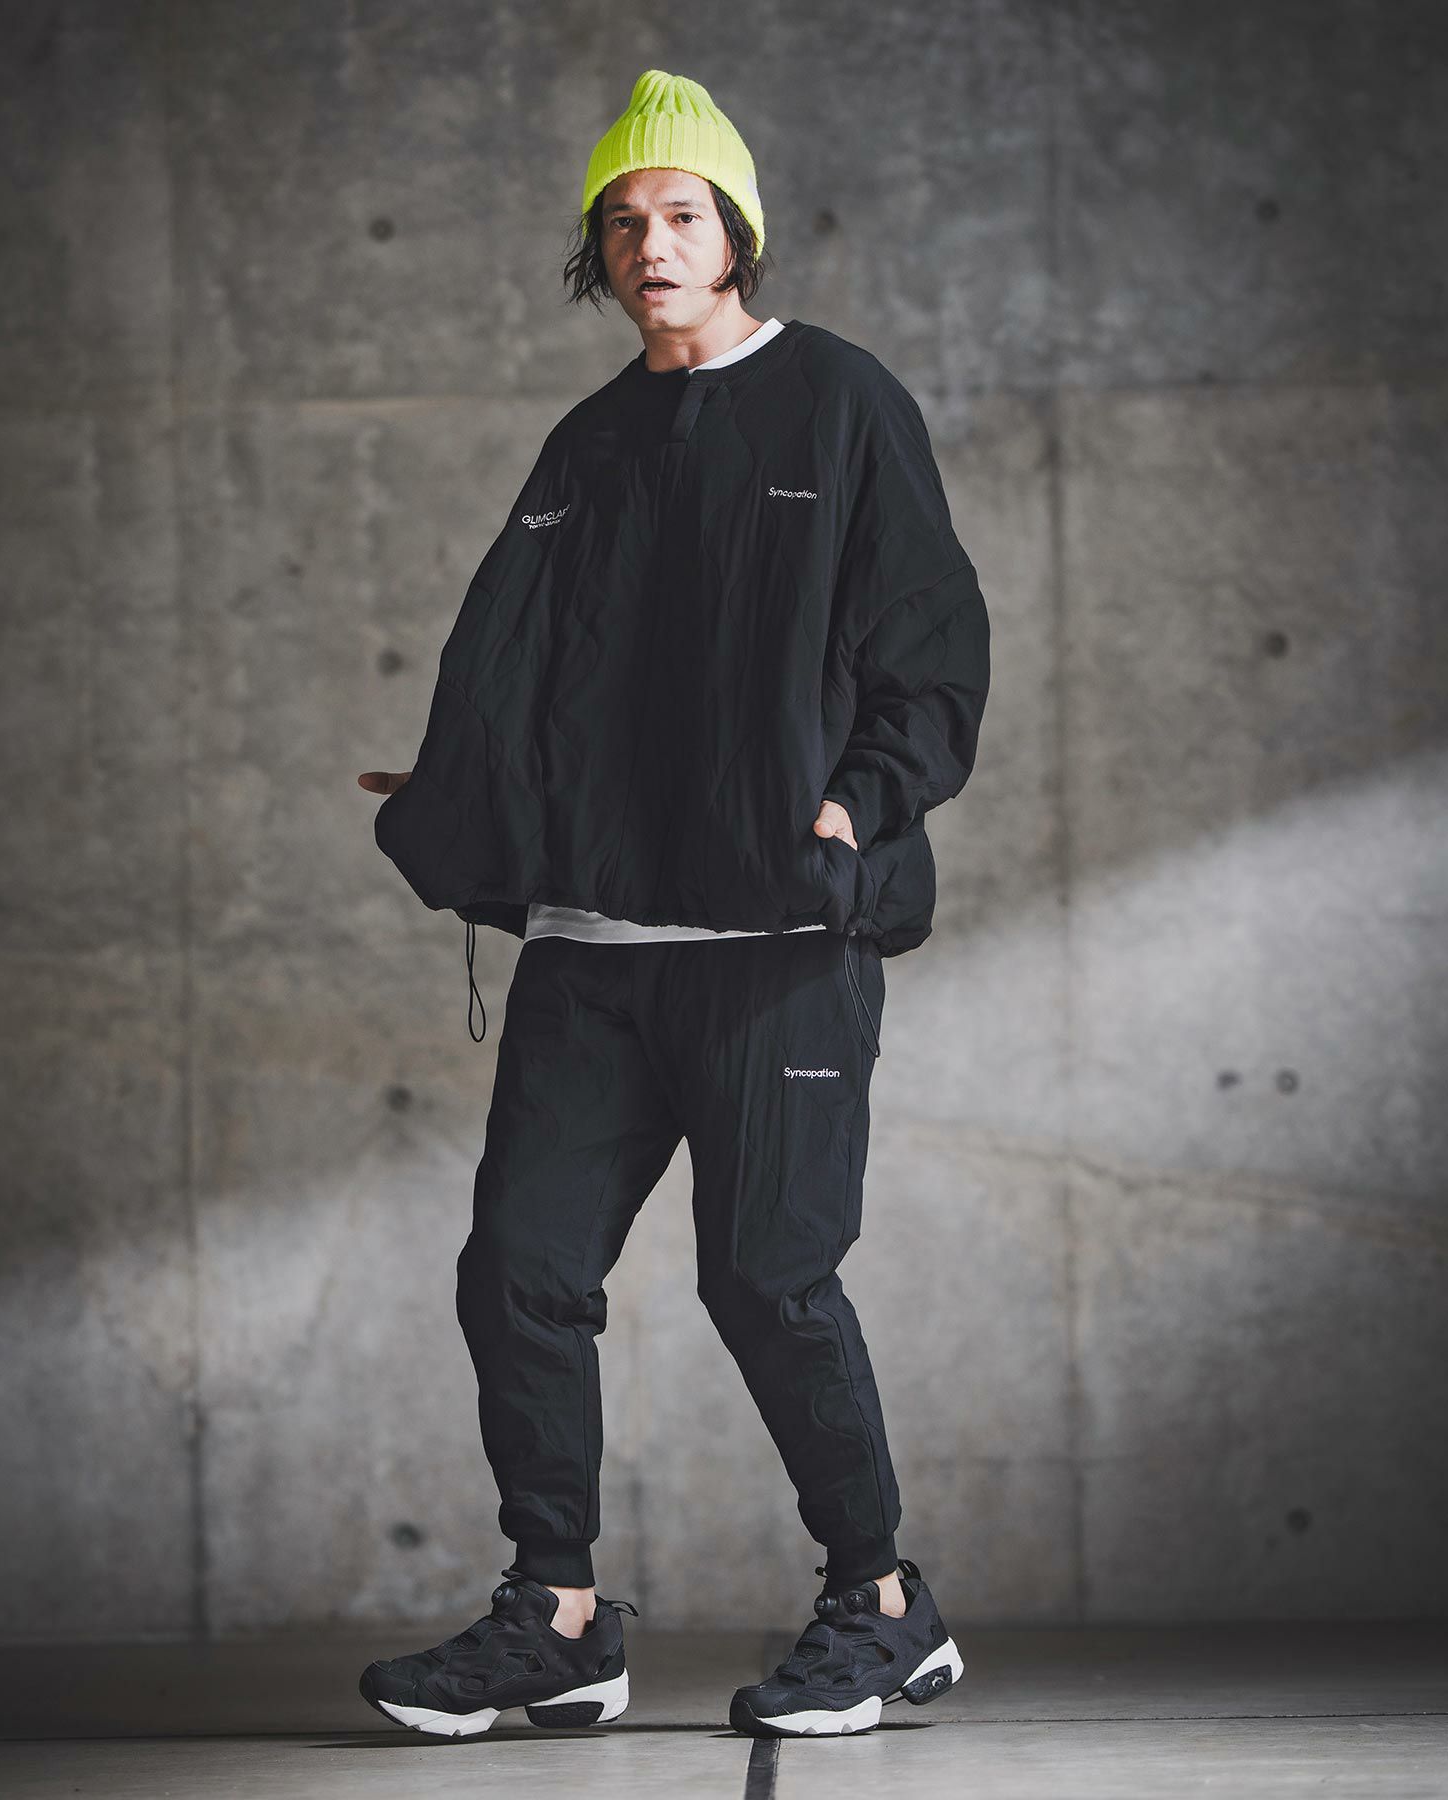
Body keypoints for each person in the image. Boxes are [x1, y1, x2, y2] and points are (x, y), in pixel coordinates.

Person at [356, 68, 990, 1740]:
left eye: (683, 214)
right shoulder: (589, 442)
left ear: (738, 233)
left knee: (768, 1281)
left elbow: (932, 646)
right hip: (593, 950)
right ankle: (558, 1617)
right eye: (625, 221)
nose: (653, 244)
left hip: (776, 948)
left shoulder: (841, 403)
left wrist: (857, 803)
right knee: (518, 1271)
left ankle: (883, 1602)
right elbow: (532, 665)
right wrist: (467, 790)